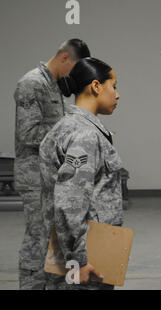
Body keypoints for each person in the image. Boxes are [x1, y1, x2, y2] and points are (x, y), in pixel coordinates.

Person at [13, 38, 90, 290]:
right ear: (65, 58)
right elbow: (28, 133)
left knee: (52, 238)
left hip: (50, 176)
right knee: (37, 237)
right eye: (75, 68)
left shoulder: (53, 85)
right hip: (34, 177)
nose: (74, 76)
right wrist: (65, 131)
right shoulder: (32, 84)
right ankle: (30, 285)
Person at [40, 57, 122, 290]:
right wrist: (79, 261)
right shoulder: (84, 135)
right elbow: (70, 203)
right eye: (113, 86)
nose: (117, 95)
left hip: (74, 248)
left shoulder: (67, 127)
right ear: (96, 86)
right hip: (87, 254)